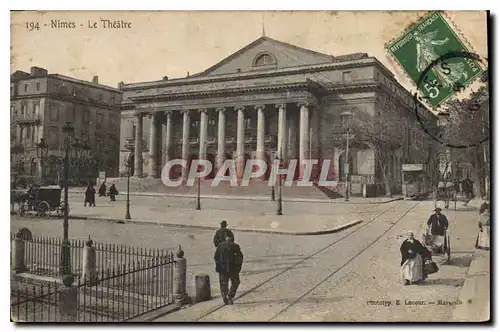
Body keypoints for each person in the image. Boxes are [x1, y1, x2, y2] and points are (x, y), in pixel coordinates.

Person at [214, 235, 244, 305]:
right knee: (236, 282)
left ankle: (225, 298)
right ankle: (230, 296)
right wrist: (238, 268)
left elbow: (216, 257)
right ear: (233, 240)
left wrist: (219, 266)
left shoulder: (220, 245)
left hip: (222, 269)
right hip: (232, 269)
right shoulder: (235, 246)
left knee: (223, 284)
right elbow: (240, 258)